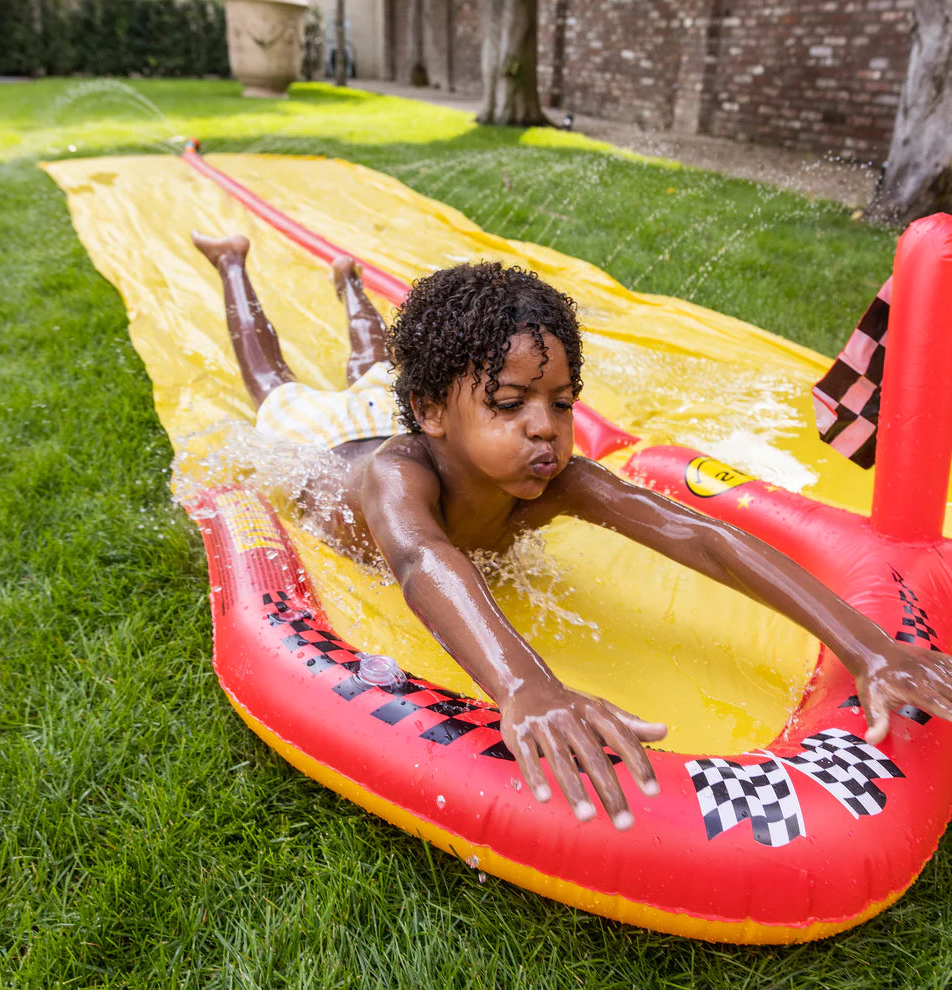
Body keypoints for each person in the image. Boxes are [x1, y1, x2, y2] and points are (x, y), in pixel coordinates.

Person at [192, 231, 952, 831]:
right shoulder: (398, 479)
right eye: (512, 404)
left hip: (408, 408)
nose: (546, 432)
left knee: (371, 365)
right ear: (431, 414)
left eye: (560, 403)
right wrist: (526, 685)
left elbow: (701, 537)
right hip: (331, 445)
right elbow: (424, 558)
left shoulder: (554, 477)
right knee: (275, 389)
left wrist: (867, 643)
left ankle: (350, 286)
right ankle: (233, 264)